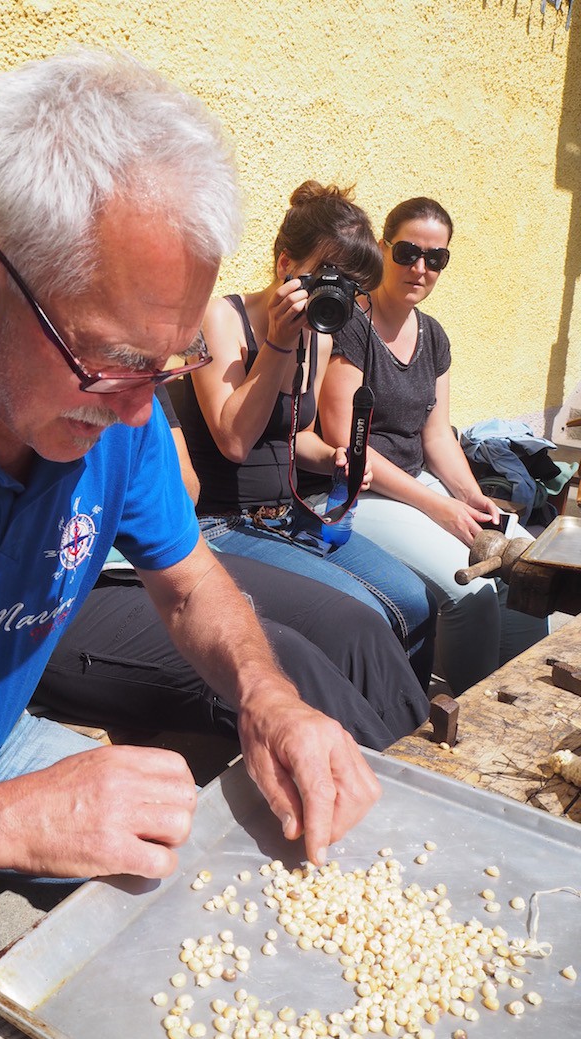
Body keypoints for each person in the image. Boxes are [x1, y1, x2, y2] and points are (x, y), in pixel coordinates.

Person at [0, 52, 382, 1039]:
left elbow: (189, 583)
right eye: (110, 364)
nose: (142, 414)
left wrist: (267, 700)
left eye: (171, 360)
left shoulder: (117, 405)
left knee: (239, 917)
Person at [35, 386, 430, 750]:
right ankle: (390, 811)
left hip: (147, 560)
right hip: (58, 597)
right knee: (284, 659)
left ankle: (428, 779)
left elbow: (183, 492)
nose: (140, 410)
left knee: (352, 625)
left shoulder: (136, 393)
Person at [175, 180, 436, 690]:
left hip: (289, 516)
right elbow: (233, 439)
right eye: (326, 276)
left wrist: (336, 457)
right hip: (222, 524)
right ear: (284, 265)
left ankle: (408, 727)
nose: (335, 294)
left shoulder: (321, 332)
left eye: (349, 285)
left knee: (412, 598)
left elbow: (296, 436)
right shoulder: (219, 317)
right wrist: (278, 343)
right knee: (363, 615)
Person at [318, 196, 548, 695]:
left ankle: (514, 699)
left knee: (530, 566)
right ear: (383, 249)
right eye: (407, 253)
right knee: (473, 594)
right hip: (357, 490)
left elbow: (437, 433)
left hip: (416, 486)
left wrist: (469, 495)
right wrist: (439, 507)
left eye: (435, 258)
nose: (420, 268)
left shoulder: (434, 336)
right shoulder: (351, 326)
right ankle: (457, 714)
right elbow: (343, 438)